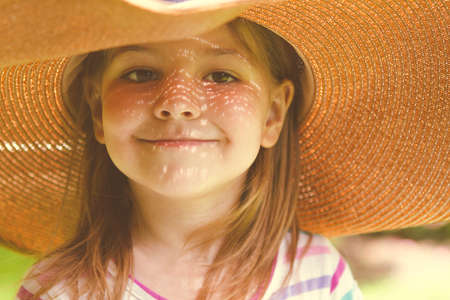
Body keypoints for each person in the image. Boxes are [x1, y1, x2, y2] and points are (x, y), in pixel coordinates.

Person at [1, 1, 447, 300]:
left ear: (273, 114)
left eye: (221, 76)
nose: (176, 100)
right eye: (140, 74)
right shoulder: (58, 289)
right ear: (98, 110)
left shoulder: (316, 278)